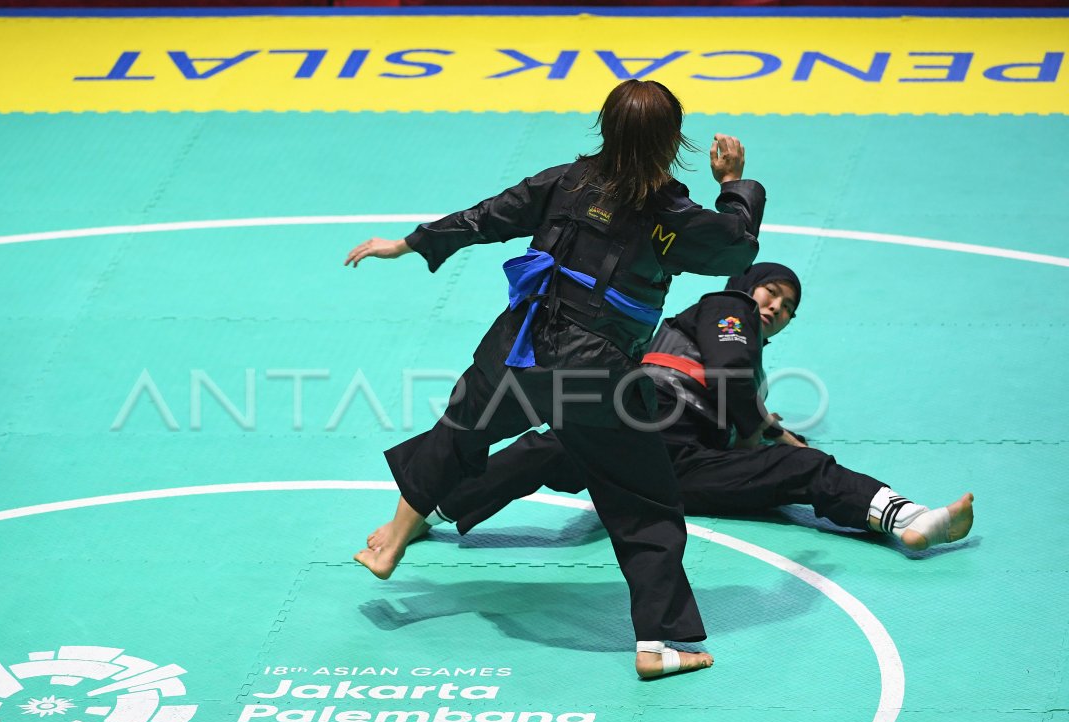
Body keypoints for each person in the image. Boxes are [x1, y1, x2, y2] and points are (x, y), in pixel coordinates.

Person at [344, 79, 766, 679]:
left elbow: (486, 216)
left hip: (517, 348)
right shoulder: (670, 215)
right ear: (674, 142)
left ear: (604, 127)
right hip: (597, 373)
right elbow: (734, 251)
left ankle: (392, 538)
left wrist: (409, 244)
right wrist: (732, 186)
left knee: (459, 430)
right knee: (643, 503)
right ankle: (661, 645)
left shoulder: (564, 181)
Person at [426, 262, 975, 555]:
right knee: (553, 444)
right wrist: (764, 427)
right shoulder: (723, 307)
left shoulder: (751, 374)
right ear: (746, 290)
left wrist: (772, 439)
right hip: (638, 422)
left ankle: (908, 520)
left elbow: (740, 393)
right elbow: (732, 376)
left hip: (679, 472)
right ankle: (431, 507)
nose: (775, 308)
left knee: (802, 466)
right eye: (770, 295)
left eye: (785, 310)